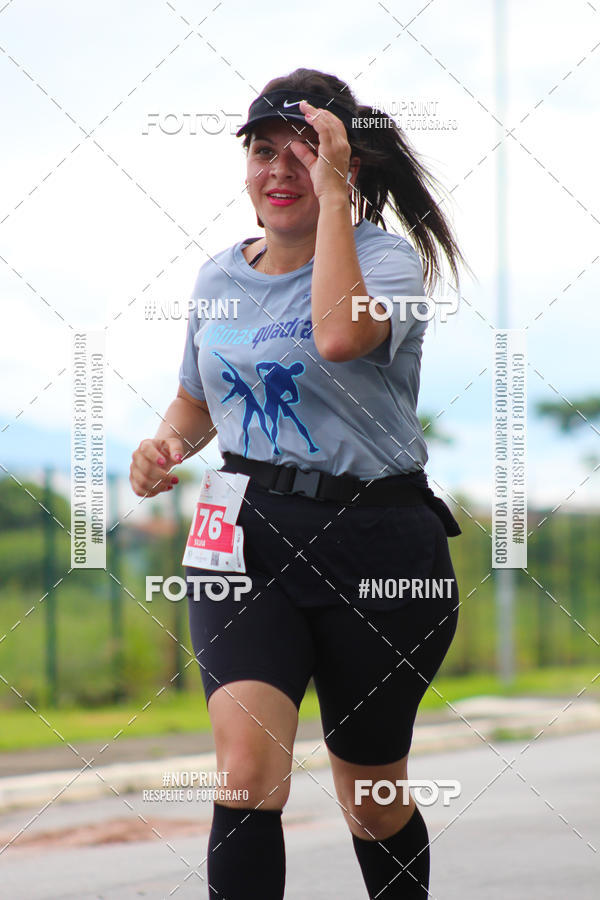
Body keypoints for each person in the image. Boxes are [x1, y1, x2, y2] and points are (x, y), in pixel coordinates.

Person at [130, 67, 469, 899]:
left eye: (303, 153)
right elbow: (195, 400)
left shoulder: (387, 262)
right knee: (246, 773)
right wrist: (164, 443)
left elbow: (338, 337)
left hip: (379, 541)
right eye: (262, 151)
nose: (278, 169)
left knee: (372, 799)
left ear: (343, 166)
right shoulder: (217, 278)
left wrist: (335, 203)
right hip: (242, 530)